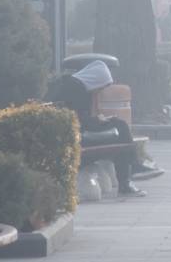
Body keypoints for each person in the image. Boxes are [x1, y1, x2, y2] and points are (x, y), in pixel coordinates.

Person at [47, 60, 145, 197]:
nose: (100, 91)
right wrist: (99, 120)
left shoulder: (71, 85)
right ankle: (127, 178)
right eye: (101, 87)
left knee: (119, 126)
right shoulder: (77, 89)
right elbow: (81, 120)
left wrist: (99, 120)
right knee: (120, 129)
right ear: (96, 80)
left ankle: (133, 167)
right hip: (76, 136)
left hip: (71, 132)